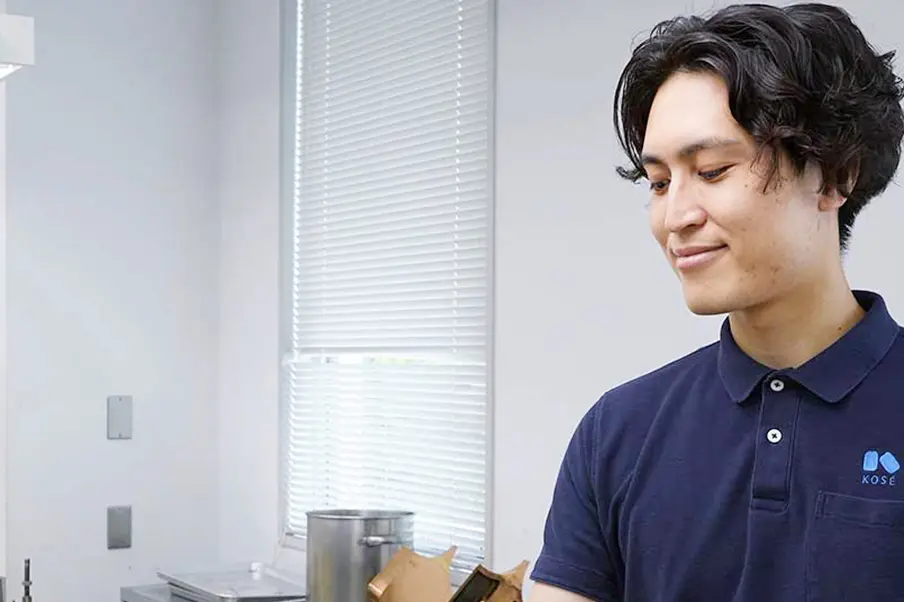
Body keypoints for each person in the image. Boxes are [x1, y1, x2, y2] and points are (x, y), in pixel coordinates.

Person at [528, 3, 904, 602]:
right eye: (659, 183)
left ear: (834, 176)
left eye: (711, 170)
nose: (675, 217)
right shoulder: (616, 431)